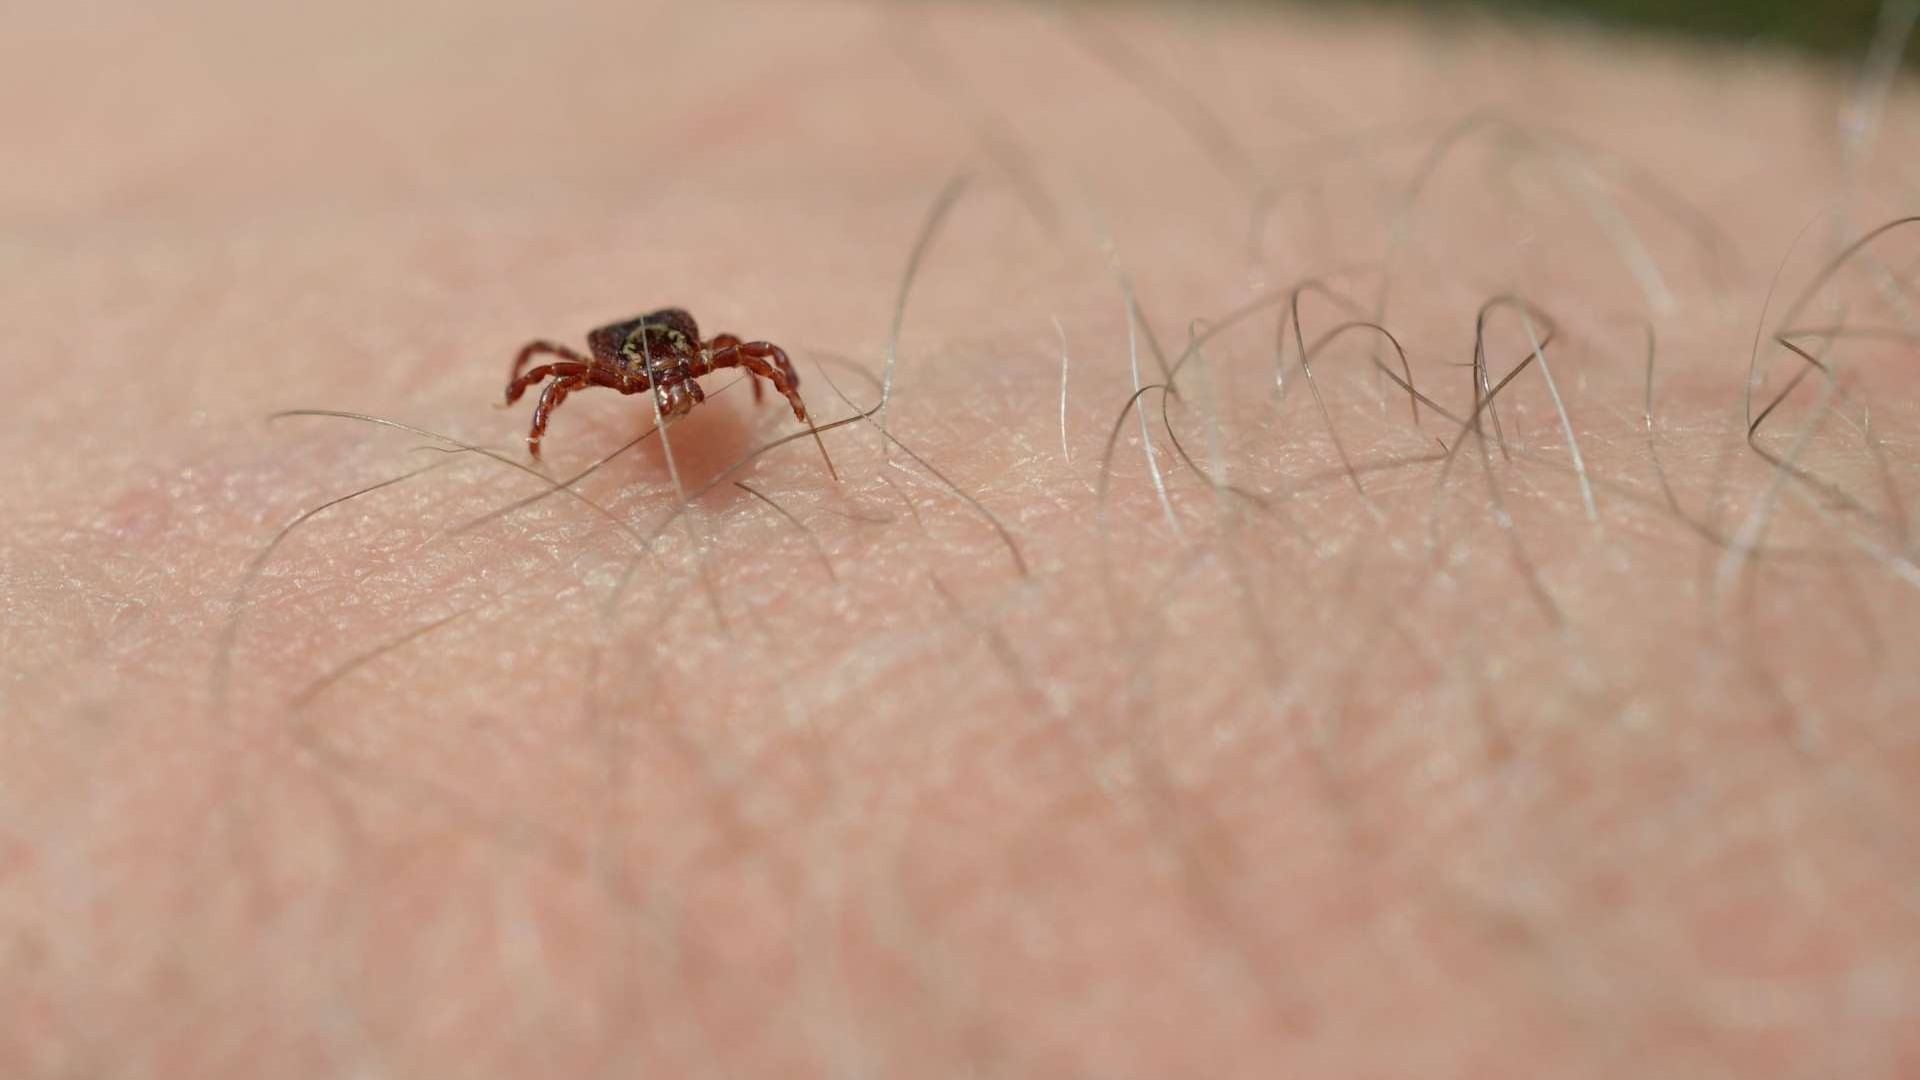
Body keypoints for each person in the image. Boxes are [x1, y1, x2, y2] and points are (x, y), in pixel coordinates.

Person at [5, 1, 1915, 1076]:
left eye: (678, 364)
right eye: (644, 369)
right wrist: (610, 402)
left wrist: (746, 404)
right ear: (604, 367)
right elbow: (562, 371)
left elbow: (729, 363)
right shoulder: (597, 373)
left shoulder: (703, 365)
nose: (673, 378)